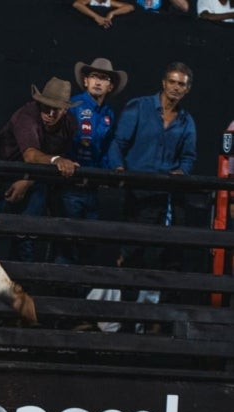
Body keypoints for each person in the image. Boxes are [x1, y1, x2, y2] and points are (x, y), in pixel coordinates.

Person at [107, 62, 196, 330]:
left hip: (165, 197)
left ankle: (155, 327)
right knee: (131, 255)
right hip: (136, 192)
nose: (176, 87)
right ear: (164, 82)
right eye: (173, 82)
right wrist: (119, 169)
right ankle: (125, 322)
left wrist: (182, 172)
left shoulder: (186, 120)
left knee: (167, 259)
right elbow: (118, 143)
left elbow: (189, 156)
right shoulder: (139, 107)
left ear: (188, 89)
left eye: (182, 84)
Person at [0, 77, 80, 262]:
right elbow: (31, 155)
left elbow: (55, 154)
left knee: (26, 235)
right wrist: (56, 160)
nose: (50, 114)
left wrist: (27, 181)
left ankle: (23, 279)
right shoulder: (27, 115)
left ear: (65, 110)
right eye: (46, 107)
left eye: (56, 109)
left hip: (34, 178)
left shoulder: (70, 125)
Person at [54, 58, 127, 265]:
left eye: (104, 78)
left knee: (88, 242)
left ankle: (80, 283)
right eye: (94, 76)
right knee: (67, 240)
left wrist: (115, 166)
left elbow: (107, 146)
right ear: (86, 81)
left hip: (93, 187)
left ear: (110, 86)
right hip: (71, 183)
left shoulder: (108, 114)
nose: (98, 81)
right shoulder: (73, 105)